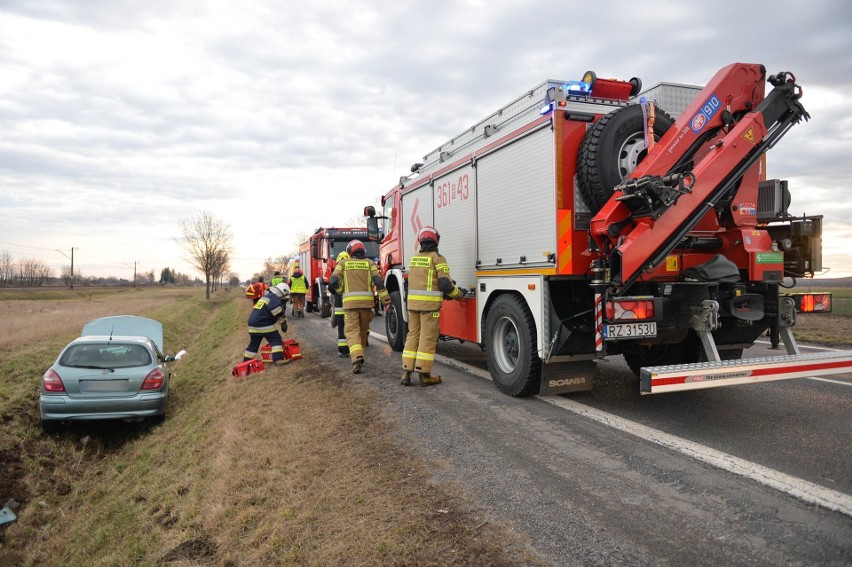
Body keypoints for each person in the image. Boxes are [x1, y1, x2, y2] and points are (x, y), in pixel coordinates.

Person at [401, 226, 467, 386]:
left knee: (413, 336)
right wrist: (458, 294)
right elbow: (445, 284)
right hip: (429, 308)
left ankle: (406, 372)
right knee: (427, 338)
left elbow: (425, 282)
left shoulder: (414, 258)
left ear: (420, 241)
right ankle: (424, 375)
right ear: (436, 240)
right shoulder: (438, 258)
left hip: (412, 306)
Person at [329, 239, 390, 374]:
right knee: (362, 332)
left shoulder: (343, 264)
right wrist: (386, 301)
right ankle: (359, 354)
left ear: (350, 252)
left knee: (352, 332)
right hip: (366, 306)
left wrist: (340, 290)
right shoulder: (370, 264)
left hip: (350, 306)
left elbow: (332, 281)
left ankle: (356, 358)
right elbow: (379, 283)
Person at [243, 283, 290, 366]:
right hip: (263, 323)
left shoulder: (266, 296)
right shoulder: (274, 297)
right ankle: (278, 359)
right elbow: (276, 310)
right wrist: (283, 320)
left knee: (253, 345)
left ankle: (245, 364)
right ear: (282, 292)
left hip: (252, 324)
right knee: (275, 339)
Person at [330, 250, 350, 357]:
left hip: (339, 304)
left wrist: (338, 291)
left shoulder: (337, 269)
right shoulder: (351, 268)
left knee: (341, 327)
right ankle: (354, 348)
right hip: (350, 303)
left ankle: (343, 351)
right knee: (351, 327)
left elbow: (331, 284)